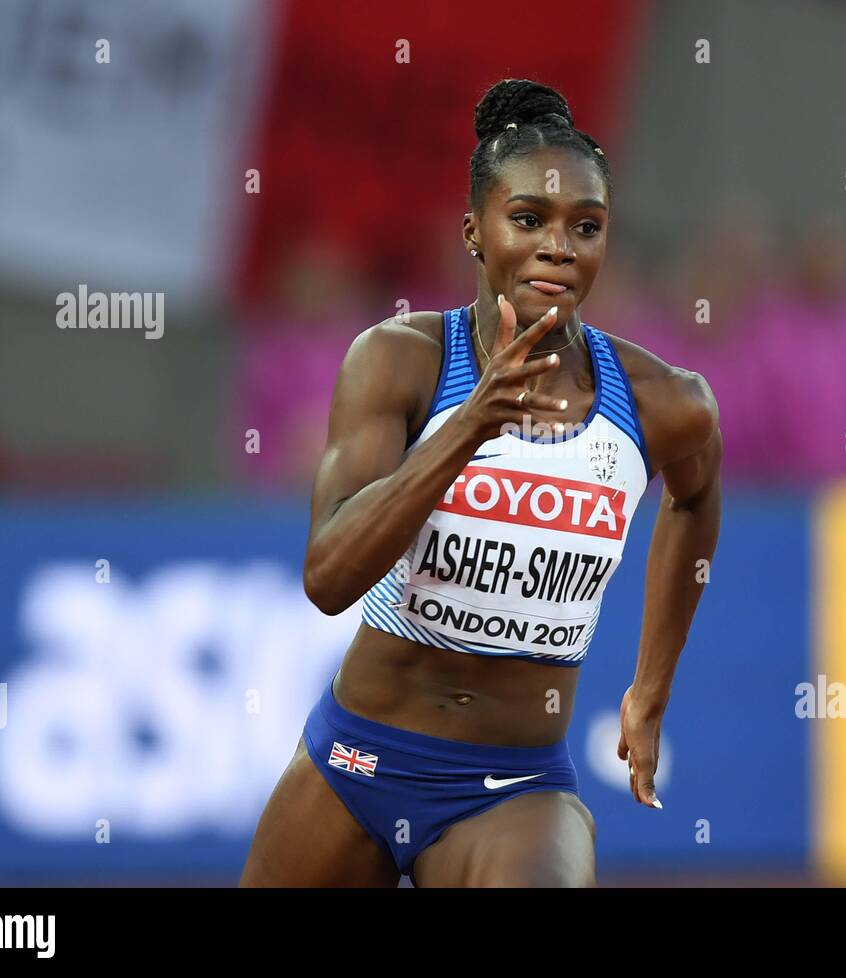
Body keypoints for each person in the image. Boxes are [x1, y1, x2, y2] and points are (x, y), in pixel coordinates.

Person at [240, 79, 721, 887]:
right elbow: (327, 577)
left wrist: (651, 684)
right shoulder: (399, 361)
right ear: (474, 230)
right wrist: (472, 421)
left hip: (515, 789)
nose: (558, 248)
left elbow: (695, 497)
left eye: (587, 228)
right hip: (355, 763)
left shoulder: (664, 402)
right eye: (528, 219)